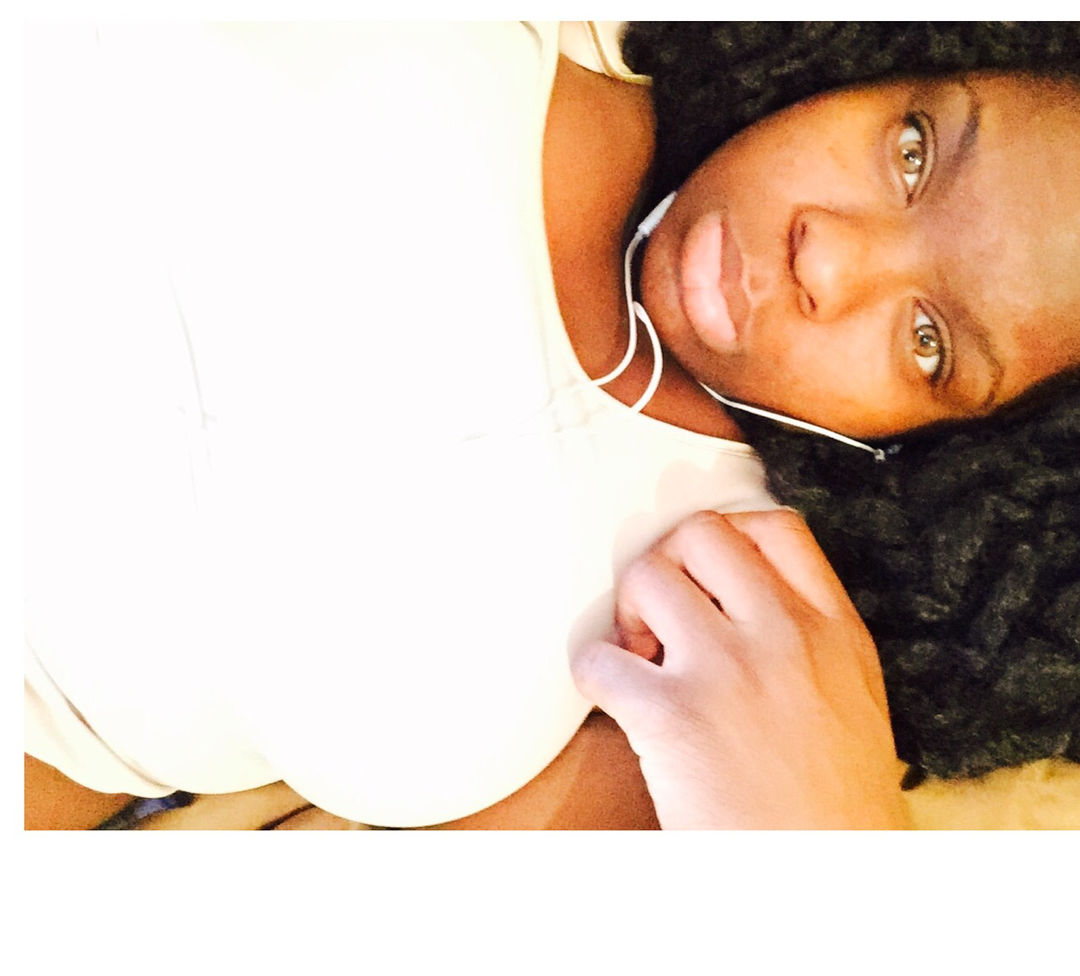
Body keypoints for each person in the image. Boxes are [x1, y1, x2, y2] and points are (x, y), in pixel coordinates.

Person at [23, 21, 1080, 829]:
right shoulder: (556, 34)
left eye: (929, 340)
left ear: (971, 464)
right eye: (912, 150)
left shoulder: (730, 650)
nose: (831, 255)